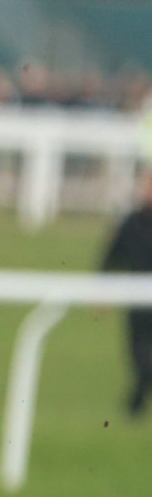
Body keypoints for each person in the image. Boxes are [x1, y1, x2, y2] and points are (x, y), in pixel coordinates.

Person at [101, 164, 152, 417]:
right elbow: (111, 258)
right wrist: (101, 291)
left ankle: (136, 402)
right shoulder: (132, 222)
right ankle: (137, 399)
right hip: (136, 301)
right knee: (138, 353)